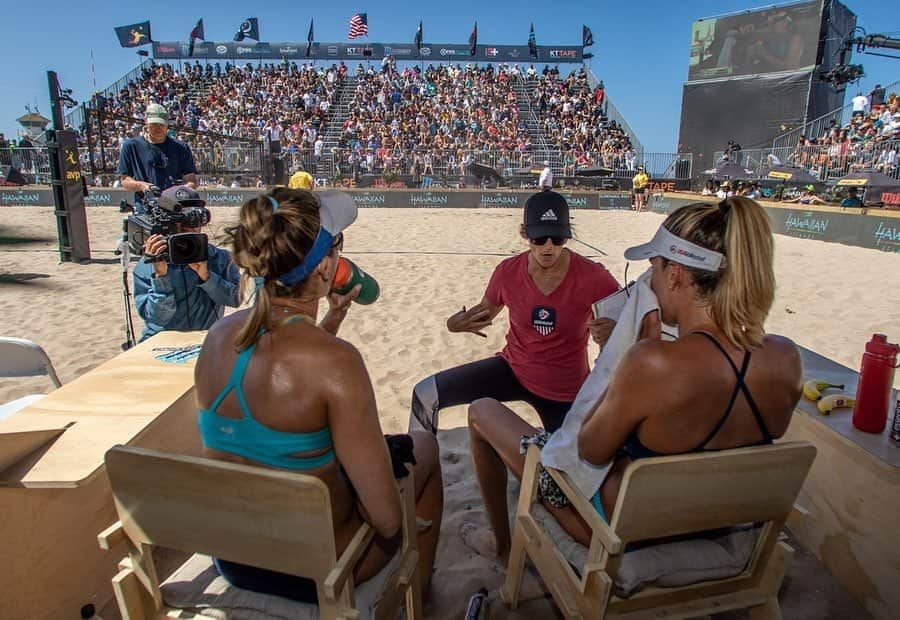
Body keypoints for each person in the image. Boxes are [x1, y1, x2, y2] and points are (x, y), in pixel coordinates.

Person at [461, 196, 802, 566]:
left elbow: (587, 451)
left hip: (619, 528)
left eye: (653, 268)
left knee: (482, 411)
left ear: (674, 275)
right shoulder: (785, 358)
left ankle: (502, 546)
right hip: (717, 523)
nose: (648, 280)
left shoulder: (652, 362)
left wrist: (632, 353)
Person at [194, 188, 443, 603]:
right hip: (319, 568)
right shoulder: (336, 364)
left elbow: (275, 388)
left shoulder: (218, 337)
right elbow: (384, 520)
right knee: (427, 449)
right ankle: (424, 597)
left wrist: (330, 322)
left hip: (234, 557)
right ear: (326, 268)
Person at [408, 191, 619, 435]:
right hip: (513, 369)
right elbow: (484, 313)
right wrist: (454, 324)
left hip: (566, 390)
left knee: (566, 464)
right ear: (524, 234)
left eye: (558, 238)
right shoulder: (507, 272)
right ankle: (422, 468)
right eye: (539, 239)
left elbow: (632, 330)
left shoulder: (595, 277)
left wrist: (613, 332)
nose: (548, 247)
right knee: (425, 393)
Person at [132, 185, 241, 341]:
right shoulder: (148, 264)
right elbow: (157, 318)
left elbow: (236, 299)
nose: (189, 226)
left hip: (204, 339)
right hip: (161, 341)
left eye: (196, 219)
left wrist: (207, 277)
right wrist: (161, 277)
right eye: (181, 219)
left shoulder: (219, 258)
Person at [118, 103, 198, 214]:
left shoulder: (181, 148)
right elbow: (125, 180)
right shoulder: (130, 147)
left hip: (175, 207)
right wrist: (143, 186)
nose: (158, 128)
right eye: (154, 124)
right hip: (145, 208)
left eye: (162, 124)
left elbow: (191, 179)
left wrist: (181, 191)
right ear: (146, 122)